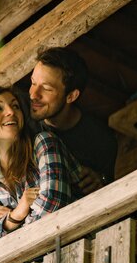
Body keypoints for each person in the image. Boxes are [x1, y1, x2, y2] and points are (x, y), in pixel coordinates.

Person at [0, 86, 82, 247]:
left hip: (78, 243)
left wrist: (11, 222)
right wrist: (17, 213)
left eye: (15, 106)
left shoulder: (44, 143)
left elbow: (52, 209)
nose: (11, 112)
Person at [29, 47, 118, 194]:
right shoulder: (20, 122)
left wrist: (100, 181)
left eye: (46, 88)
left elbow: (108, 188)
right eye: (33, 83)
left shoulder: (102, 140)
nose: (33, 94)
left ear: (71, 96)